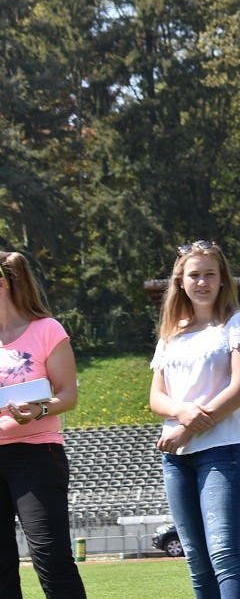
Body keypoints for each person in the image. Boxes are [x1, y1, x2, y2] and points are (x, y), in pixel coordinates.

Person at [149, 240, 240, 598]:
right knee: (197, 560)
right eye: (194, 275)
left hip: (223, 451)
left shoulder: (238, 323)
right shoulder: (171, 334)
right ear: (180, 282)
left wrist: (188, 425)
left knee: (224, 556)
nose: (201, 282)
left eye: (210, 274)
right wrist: (181, 412)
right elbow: (156, 398)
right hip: (176, 457)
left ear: (223, 280)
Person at [0, 251, 86, 599]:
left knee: (50, 558)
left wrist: (35, 412)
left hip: (36, 455)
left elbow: (67, 395)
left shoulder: (47, 330)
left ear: (2, 283)